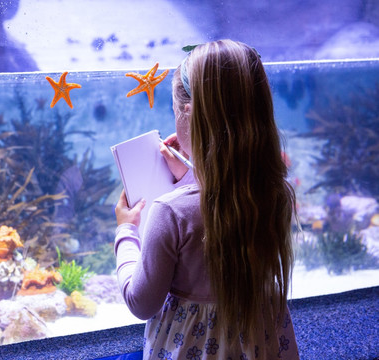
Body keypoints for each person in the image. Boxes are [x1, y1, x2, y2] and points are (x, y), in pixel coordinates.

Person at [114, 39, 299, 359]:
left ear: (187, 113)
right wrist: (189, 174)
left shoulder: (169, 213)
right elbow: (221, 206)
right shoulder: (277, 194)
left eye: (174, 111)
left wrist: (126, 231)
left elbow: (141, 303)